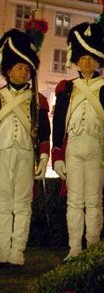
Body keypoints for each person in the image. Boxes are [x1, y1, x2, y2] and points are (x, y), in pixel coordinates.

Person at [52, 19, 104, 260]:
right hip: (73, 146)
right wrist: (56, 155)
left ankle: (93, 246)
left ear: (98, 60)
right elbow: (58, 123)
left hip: (97, 146)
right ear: (77, 59)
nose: (86, 61)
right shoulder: (66, 88)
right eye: (83, 57)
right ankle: (75, 248)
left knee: (94, 201)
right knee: (74, 201)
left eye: (91, 58)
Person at [0, 29, 50, 266]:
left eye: (27, 69)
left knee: (22, 204)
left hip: (25, 153)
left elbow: (44, 132)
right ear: (8, 70)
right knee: (1, 204)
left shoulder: (36, 100)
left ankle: (17, 251)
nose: (24, 72)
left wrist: (43, 157)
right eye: (19, 67)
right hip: (1, 153)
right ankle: (1, 250)